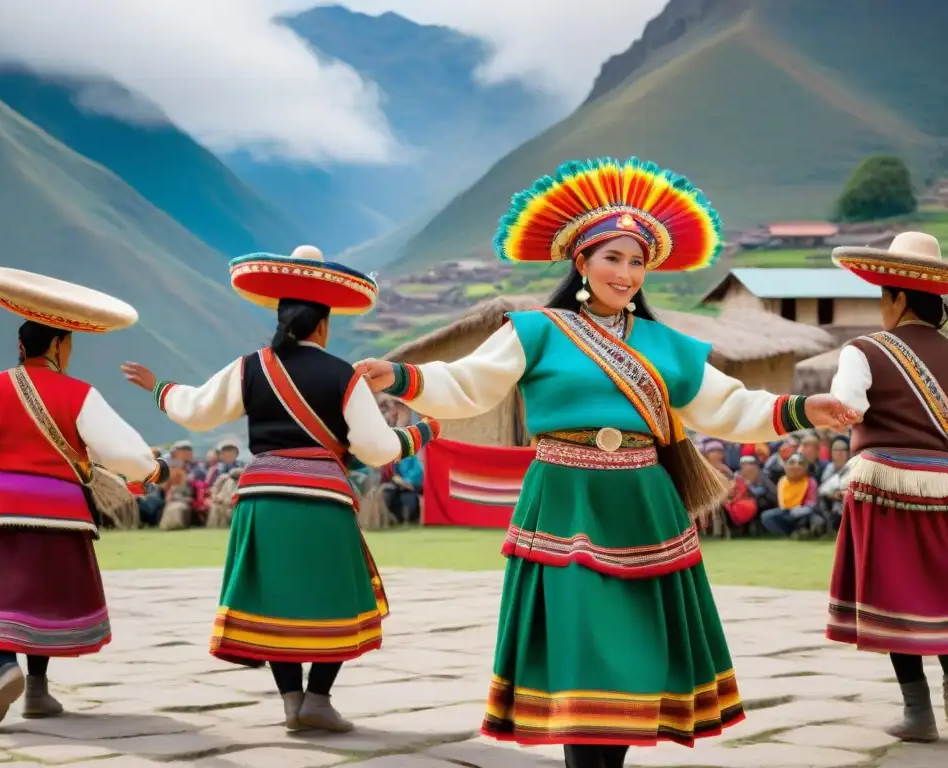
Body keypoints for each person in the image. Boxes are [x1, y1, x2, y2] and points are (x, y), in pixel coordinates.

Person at [355, 157, 856, 767]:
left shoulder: (668, 344)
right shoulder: (535, 331)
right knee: (578, 644)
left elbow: (730, 406)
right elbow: (469, 385)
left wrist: (807, 408)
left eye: (637, 260)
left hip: (644, 504)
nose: (625, 272)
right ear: (581, 263)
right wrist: (403, 376)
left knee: (633, 649)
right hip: (564, 498)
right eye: (612, 258)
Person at [120, 245, 442, 733]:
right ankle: (318, 699)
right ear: (322, 326)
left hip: (262, 497)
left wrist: (159, 387)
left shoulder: (249, 367)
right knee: (336, 595)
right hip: (323, 499)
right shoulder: (343, 375)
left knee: (275, 598)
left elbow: (197, 410)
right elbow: (375, 449)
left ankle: (292, 701)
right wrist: (422, 432)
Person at [0, 266, 168, 728]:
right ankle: (37, 691)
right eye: (70, 343)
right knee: (42, 601)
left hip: (2, 511)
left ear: (20, 346)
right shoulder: (79, 394)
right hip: (63, 515)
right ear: (57, 345)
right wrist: (154, 469)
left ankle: (5, 670)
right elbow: (122, 450)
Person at [824, 232, 948, 742]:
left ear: (897, 297)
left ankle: (918, 713)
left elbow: (845, 406)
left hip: (887, 494)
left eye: (882, 297)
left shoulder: (864, 351)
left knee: (899, 600)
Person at [759, 454, 820, 537]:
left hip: (803, 512)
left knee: (812, 516)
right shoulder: (782, 481)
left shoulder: (810, 482)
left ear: (805, 468)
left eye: (800, 464)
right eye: (792, 463)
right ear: (785, 466)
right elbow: (781, 503)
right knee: (766, 516)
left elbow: (812, 504)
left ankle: (803, 531)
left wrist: (798, 510)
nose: (796, 466)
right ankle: (788, 534)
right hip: (786, 512)